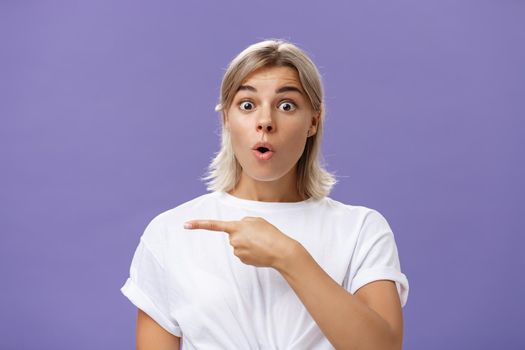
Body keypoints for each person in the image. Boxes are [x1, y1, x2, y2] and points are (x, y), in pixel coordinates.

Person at [120, 38, 409, 350]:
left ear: (313, 120)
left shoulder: (361, 229)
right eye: (247, 105)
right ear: (226, 118)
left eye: (286, 106)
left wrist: (289, 257)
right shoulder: (170, 232)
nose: (265, 122)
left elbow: (383, 347)